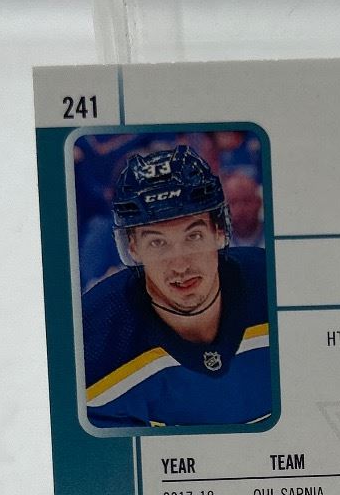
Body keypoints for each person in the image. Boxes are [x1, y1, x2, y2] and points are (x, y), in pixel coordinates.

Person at [81, 145, 272, 429]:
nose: (180, 265)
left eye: (193, 236)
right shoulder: (92, 345)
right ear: (133, 248)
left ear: (219, 231)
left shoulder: (277, 290)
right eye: (157, 243)